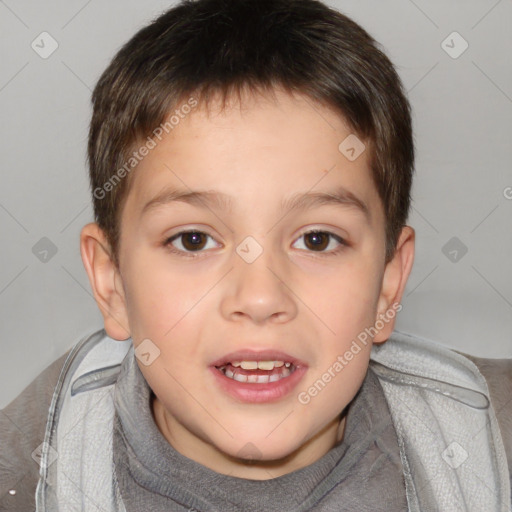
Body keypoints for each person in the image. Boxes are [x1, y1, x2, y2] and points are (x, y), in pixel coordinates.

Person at [1, 0, 510, 510]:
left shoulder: (494, 444)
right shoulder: (24, 480)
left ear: (388, 284)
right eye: (193, 240)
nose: (261, 297)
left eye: (317, 240)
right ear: (111, 282)